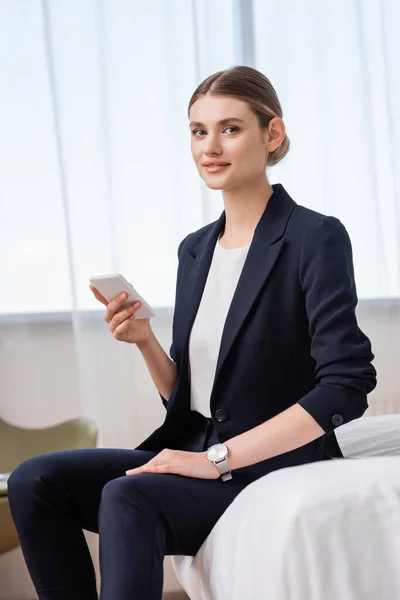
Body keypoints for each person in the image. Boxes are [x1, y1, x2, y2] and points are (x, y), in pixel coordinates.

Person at [7, 65, 377, 600]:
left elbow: (347, 384)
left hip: (264, 463)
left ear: (271, 134)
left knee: (125, 497)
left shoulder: (314, 237)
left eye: (230, 129)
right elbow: (193, 395)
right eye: (199, 131)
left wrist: (215, 460)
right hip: (197, 452)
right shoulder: (195, 249)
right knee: (33, 481)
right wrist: (144, 342)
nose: (211, 146)